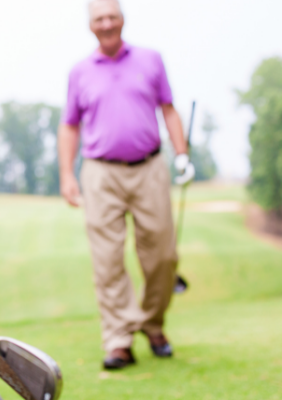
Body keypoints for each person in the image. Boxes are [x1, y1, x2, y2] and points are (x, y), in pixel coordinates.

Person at [58, 0, 195, 369]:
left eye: (112, 17)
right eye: (98, 19)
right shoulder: (80, 71)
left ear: (123, 19)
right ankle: (118, 340)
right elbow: (70, 125)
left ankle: (152, 323)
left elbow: (168, 107)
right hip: (100, 173)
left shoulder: (151, 59)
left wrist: (181, 154)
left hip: (150, 167)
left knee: (163, 257)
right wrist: (67, 175)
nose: (106, 24)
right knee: (107, 260)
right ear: (90, 26)